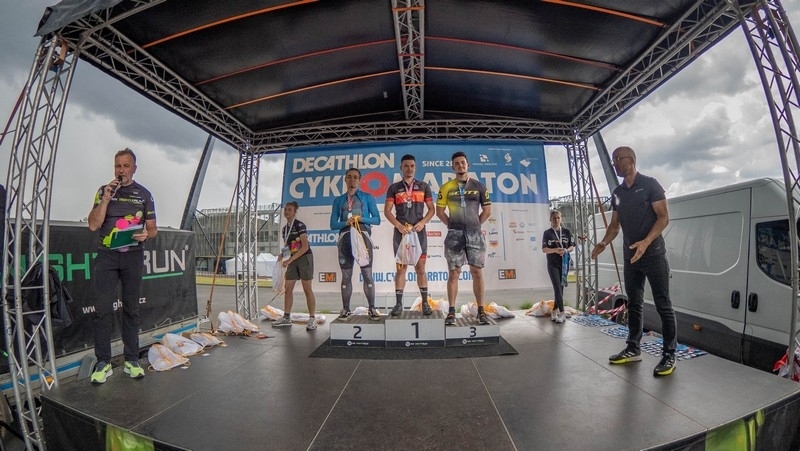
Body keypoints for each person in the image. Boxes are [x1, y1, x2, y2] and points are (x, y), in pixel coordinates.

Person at [591, 146, 678, 377]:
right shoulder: (618, 192)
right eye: (613, 160)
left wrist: (646, 242)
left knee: (663, 305)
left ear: (631, 160)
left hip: (653, 254)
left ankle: (669, 354)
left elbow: (663, 217)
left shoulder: (650, 185)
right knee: (634, 303)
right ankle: (633, 348)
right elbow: (614, 225)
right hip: (631, 257)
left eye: (618, 159)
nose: (615, 164)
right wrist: (603, 243)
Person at [87, 148, 157, 384]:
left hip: (133, 256)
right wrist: (106, 199)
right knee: (102, 310)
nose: (121, 170)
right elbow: (93, 225)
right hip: (107, 256)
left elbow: (153, 229)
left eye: (126, 166)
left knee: (131, 309)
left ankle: (132, 360)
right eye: (118, 165)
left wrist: (146, 234)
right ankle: (103, 363)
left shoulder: (144, 194)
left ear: (134, 168)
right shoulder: (103, 191)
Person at [436, 151, 491, 325]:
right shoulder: (446, 187)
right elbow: (439, 211)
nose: (460, 165)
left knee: (477, 272)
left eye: (463, 162)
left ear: (468, 165)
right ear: (453, 167)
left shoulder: (479, 186)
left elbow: (487, 211)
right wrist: (452, 225)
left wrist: (475, 225)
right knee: (454, 273)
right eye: (457, 163)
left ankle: (481, 311)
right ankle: (451, 312)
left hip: (475, 234)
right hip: (454, 235)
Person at [384, 154, 436, 316]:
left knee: (420, 268)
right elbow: (387, 211)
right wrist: (398, 225)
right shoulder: (393, 188)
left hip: (418, 233)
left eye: (412, 166)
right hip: (401, 233)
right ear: (401, 167)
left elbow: (432, 209)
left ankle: (425, 303)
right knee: (401, 269)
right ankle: (399, 304)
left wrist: (423, 222)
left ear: (415, 167)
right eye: (406, 166)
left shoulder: (424, 186)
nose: (409, 169)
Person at [330, 168, 381, 319]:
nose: (352, 180)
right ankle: (346, 308)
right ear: (345, 179)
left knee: (367, 274)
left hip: (362, 237)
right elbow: (333, 224)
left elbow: (377, 219)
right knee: (346, 276)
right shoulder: (338, 200)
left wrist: (361, 219)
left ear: (360, 180)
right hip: (345, 238)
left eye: (355, 177)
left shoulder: (367, 197)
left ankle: (372, 308)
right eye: (349, 177)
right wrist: (345, 222)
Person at [273, 202, 317, 330]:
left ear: (295, 212)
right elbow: (289, 246)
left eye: (290, 210)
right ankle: (286, 317)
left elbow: (305, 247)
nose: (287, 212)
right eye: (285, 210)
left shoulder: (299, 225)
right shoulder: (284, 229)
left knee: (307, 289)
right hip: (292, 259)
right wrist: (282, 255)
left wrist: (290, 259)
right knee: (288, 288)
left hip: (304, 257)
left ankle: (312, 318)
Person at [542, 210, 574, 323]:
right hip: (552, 263)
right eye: (554, 218)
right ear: (550, 219)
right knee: (557, 287)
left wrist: (565, 250)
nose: (556, 220)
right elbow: (544, 249)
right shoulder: (547, 233)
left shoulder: (566, 232)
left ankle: (554, 310)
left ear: (561, 219)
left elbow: (572, 247)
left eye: (558, 218)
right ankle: (562, 312)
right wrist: (556, 250)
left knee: (561, 287)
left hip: (564, 263)